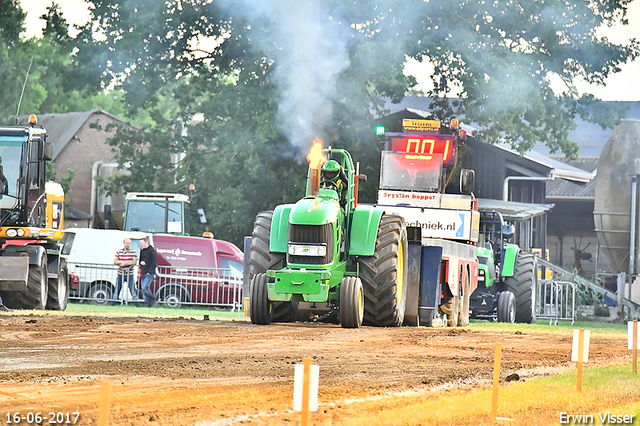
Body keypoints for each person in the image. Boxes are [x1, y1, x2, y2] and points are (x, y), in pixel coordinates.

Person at [112, 237, 138, 306]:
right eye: (126, 243)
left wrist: (125, 263)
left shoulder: (133, 251)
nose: (127, 245)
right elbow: (115, 261)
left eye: (129, 243)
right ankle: (113, 303)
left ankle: (137, 304)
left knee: (132, 289)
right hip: (121, 273)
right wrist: (121, 262)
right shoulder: (119, 251)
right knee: (117, 289)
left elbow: (134, 261)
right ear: (124, 243)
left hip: (130, 274)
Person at [139, 236, 158, 307]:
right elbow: (140, 260)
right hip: (143, 271)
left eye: (142, 243)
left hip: (149, 272)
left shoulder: (152, 251)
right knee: (143, 289)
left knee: (145, 287)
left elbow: (154, 262)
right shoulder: (142, 251)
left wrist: (149, 271)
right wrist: (141, 263)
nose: (141, 244)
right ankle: (147, 304)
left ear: (146, 242)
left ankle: (153, 299)